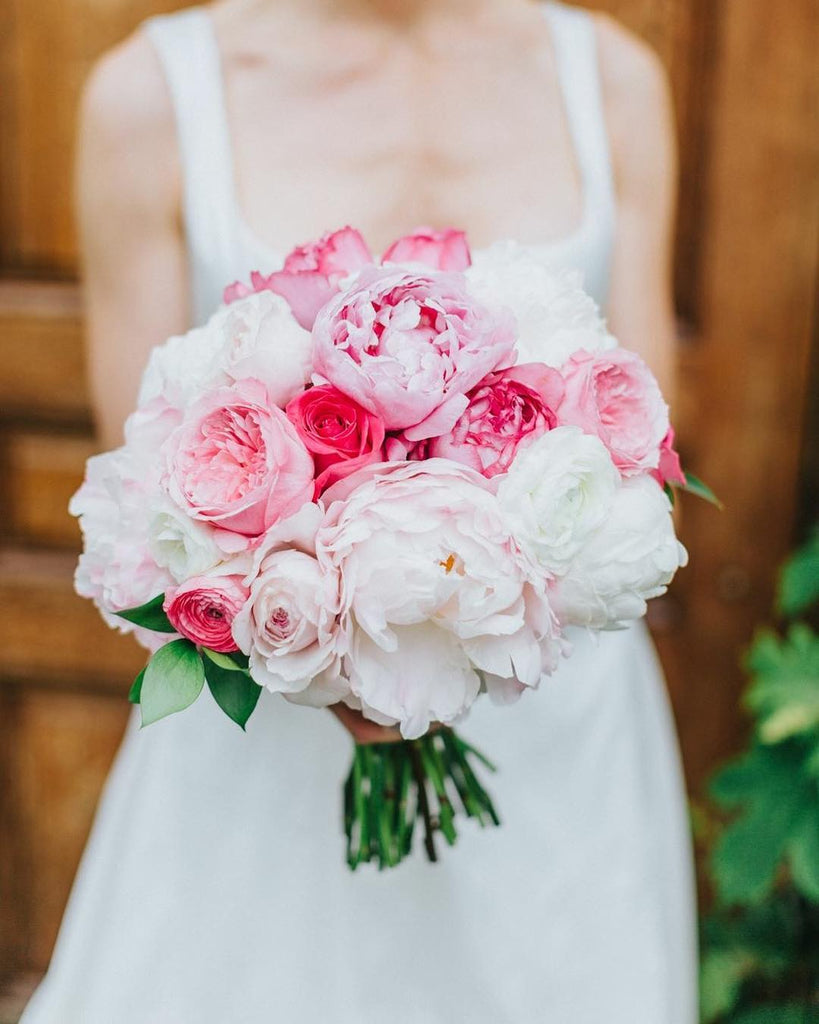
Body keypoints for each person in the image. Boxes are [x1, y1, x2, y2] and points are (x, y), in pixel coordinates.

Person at [21, 0, 697, 1020]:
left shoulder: (614, 84)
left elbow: (642, 438)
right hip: (273, 740)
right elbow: (157, 489)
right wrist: (341, 639)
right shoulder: (151, 100)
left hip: (558, 735)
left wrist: (471, 600)